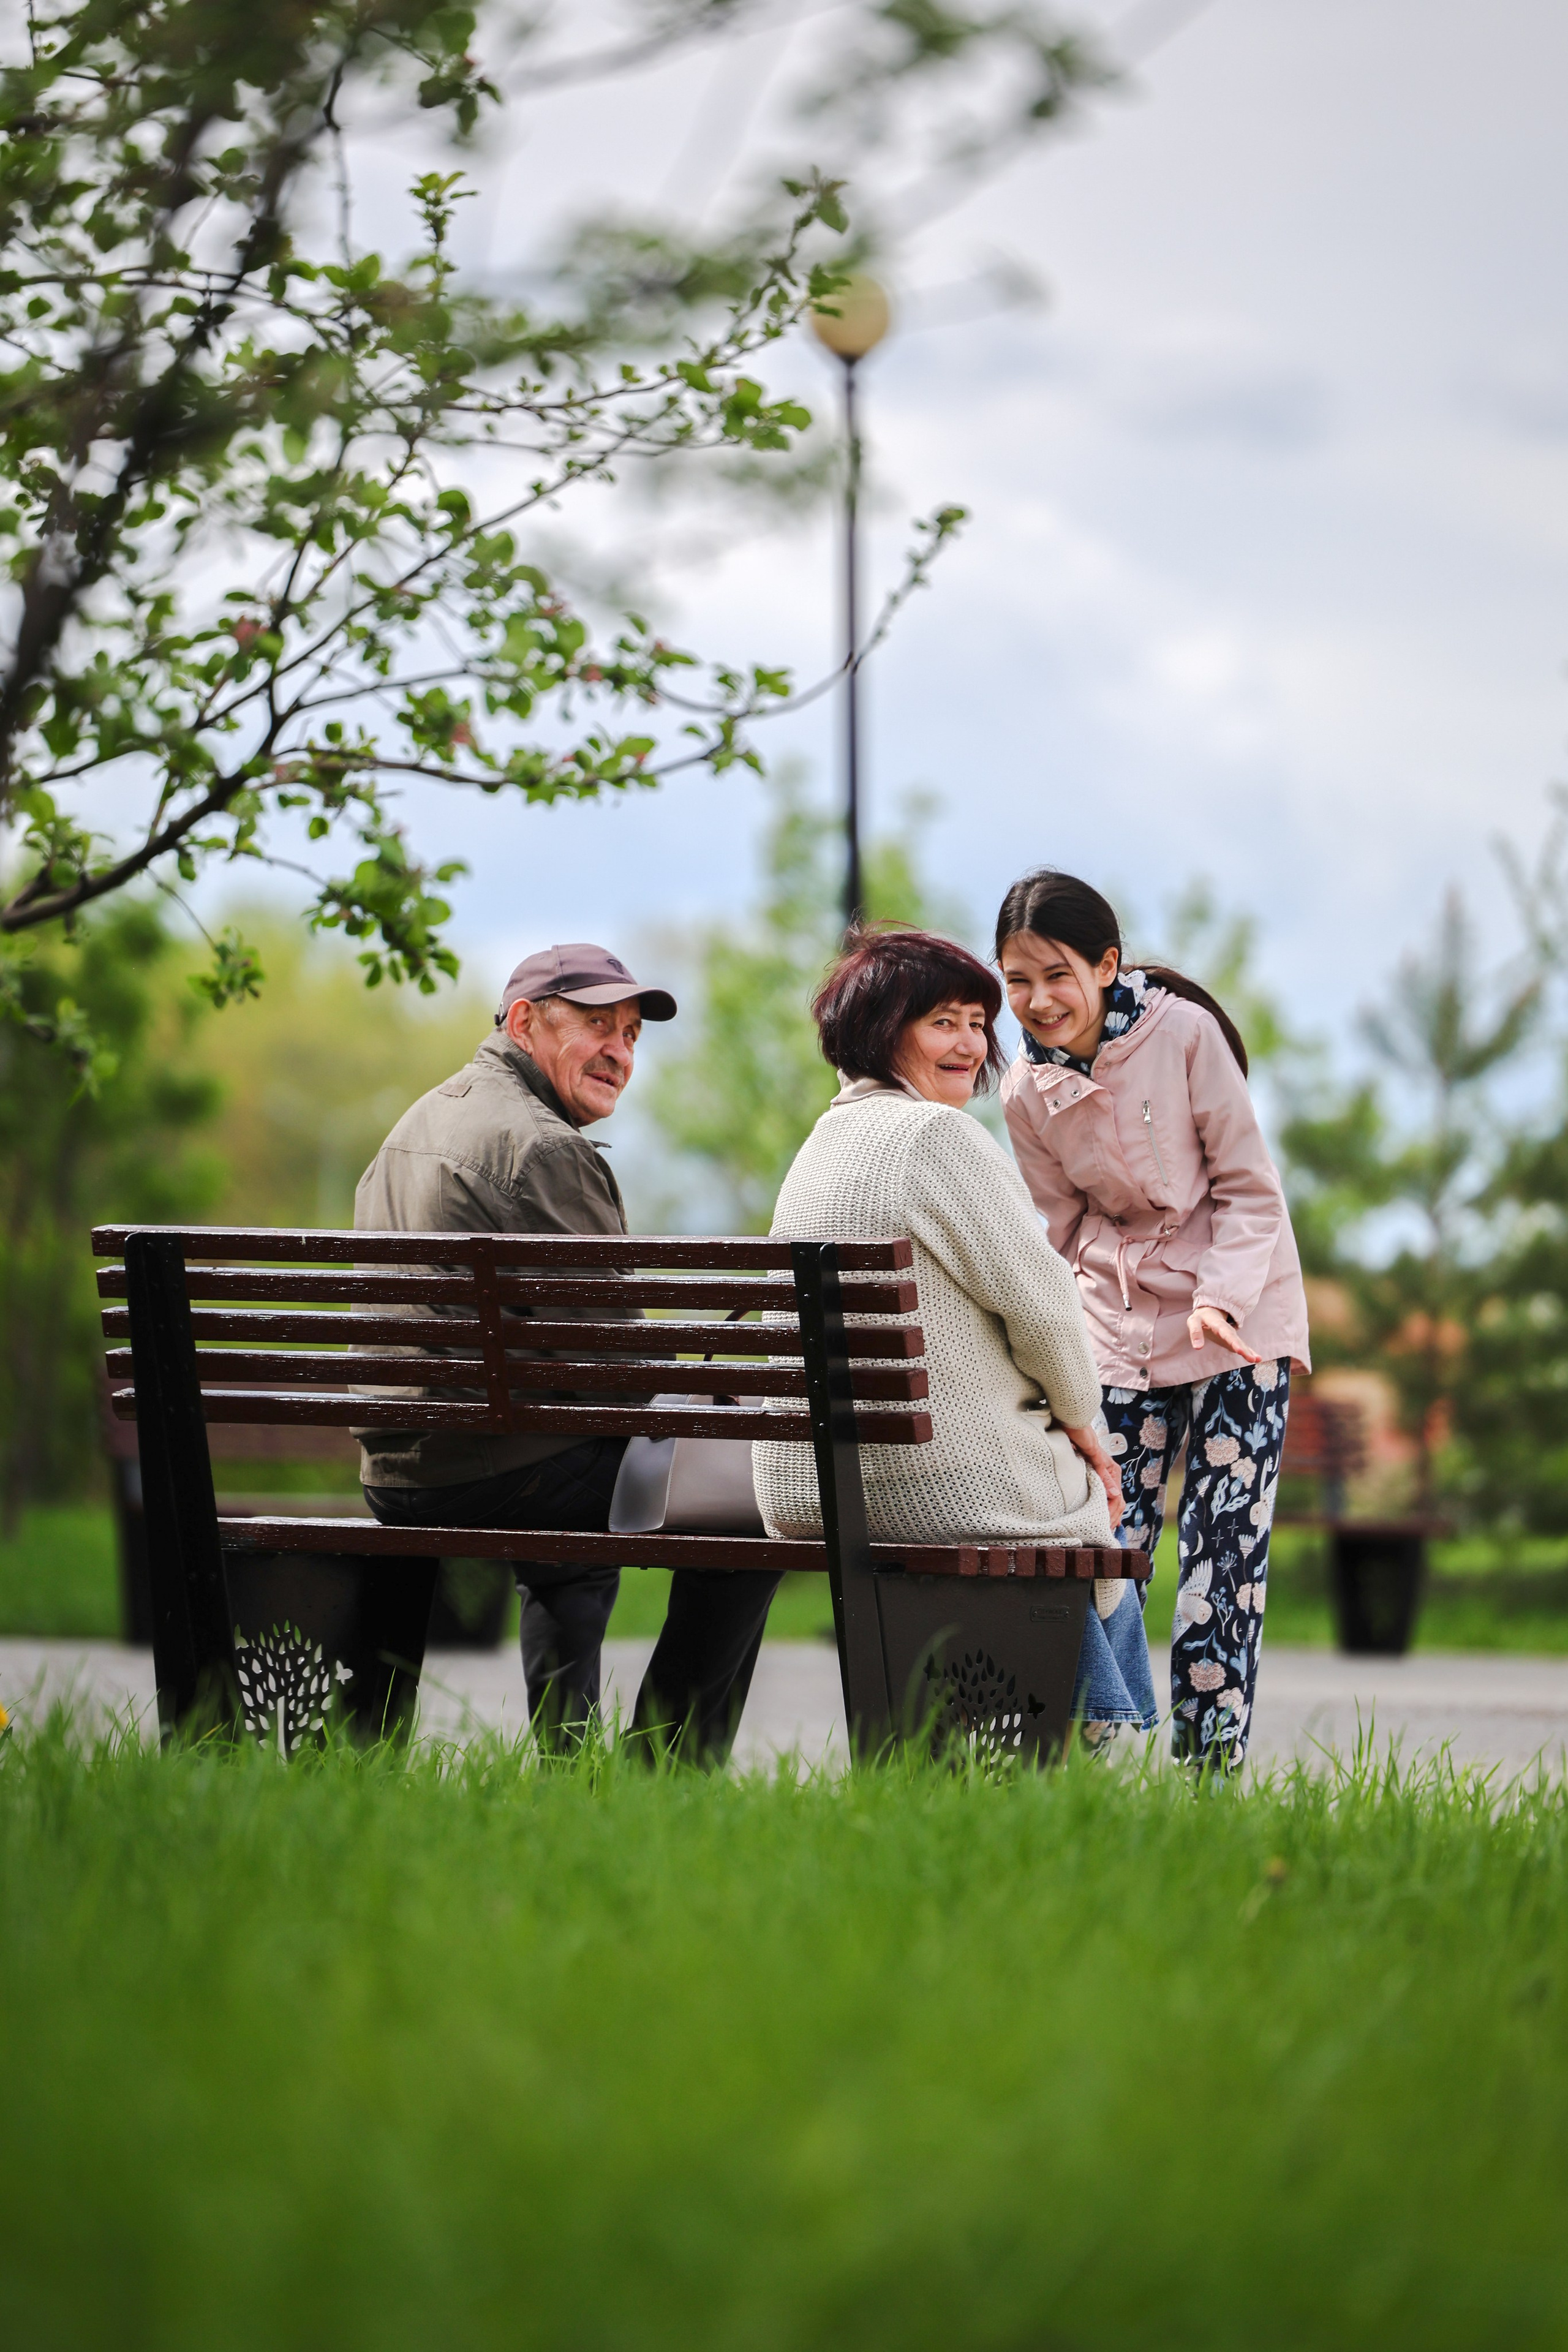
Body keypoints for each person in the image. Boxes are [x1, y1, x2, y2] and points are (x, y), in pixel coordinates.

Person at [355, 941, 782, 1758]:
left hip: (398, 1470)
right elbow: (616, 1371)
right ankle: (666, 1769)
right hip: (496, 1468)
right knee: (759, 1508)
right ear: (524, 1022)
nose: (620, 1052)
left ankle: (568, 1760)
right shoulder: (543, 1147)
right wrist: (708, 1389)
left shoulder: (413, 1125)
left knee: (591, 1485)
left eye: (631, 1035)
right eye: (597, 1026)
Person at [753, 927, 1157, 1737]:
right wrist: (1087, 1429)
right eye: (944, 1023)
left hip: (812, 1489)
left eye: (978, 1024)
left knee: (1069, 1480)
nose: (972, 1045)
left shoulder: (820, 1145)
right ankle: (1088, 1729)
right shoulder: (936, 1138)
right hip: (936, 1487)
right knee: (1088, 1498)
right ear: (878, 1029)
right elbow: (1044, 1307)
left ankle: (966, 1744)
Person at [994, 869, 1311, 1771]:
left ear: (1107, 965)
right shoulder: (1023, 1090)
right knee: (1105, 1550)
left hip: (1236, 1326)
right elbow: (1058, 1231)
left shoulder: (1184, 1036)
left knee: (1221, 1566)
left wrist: (1219, 1298)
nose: (1039, 1000)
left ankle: (1208, 1781)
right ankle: (1094, 1773)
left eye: (1057, 974)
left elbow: (1251, 1190)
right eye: (1018, 980)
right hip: (1119, 1331)